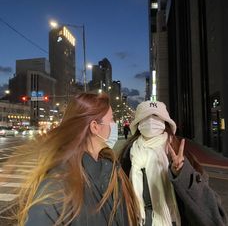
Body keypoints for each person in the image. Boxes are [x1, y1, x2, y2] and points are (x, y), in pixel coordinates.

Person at [9, 93, 140, 226]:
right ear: (95, 127)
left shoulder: (111, 171)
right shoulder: (56, 190)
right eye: (112, 119)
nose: (114, 125)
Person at [119, 100, 227, 226]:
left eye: (156, 116)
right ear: (138, 124)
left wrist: (182, 173)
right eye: (145, 117)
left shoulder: (183, 156)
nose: (150, 121)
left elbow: (212, 214)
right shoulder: (127, 158)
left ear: (165, 123)